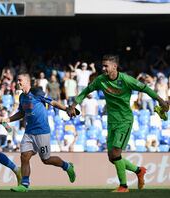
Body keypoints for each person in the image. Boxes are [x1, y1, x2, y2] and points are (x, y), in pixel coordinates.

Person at [67, 54, 169, 192]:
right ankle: (139, 171)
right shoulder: (100, 80)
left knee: (115, 153)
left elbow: (145, 88)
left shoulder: (126, 79)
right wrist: (74, 105)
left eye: (106, 66)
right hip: (111, 121)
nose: (103, 69)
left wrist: (160, 100)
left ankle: (124, 186)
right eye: (102, 66)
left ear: (115, 66)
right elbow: (86, 91)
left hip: (124, 120)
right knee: (112, 157)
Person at [1, 72, 76, 192]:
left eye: (20, 80)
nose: (18, 82)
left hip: (42, 131)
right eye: (18, 80)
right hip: (29, 131)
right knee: (24, 156)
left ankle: (67, 166)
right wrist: (8, 119)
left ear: (27, 81)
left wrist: (66, 109)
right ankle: (25, 185)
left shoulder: (37, 92)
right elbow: (21, 113)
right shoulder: (21, 97)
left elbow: (53, 102)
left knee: (46, 160)